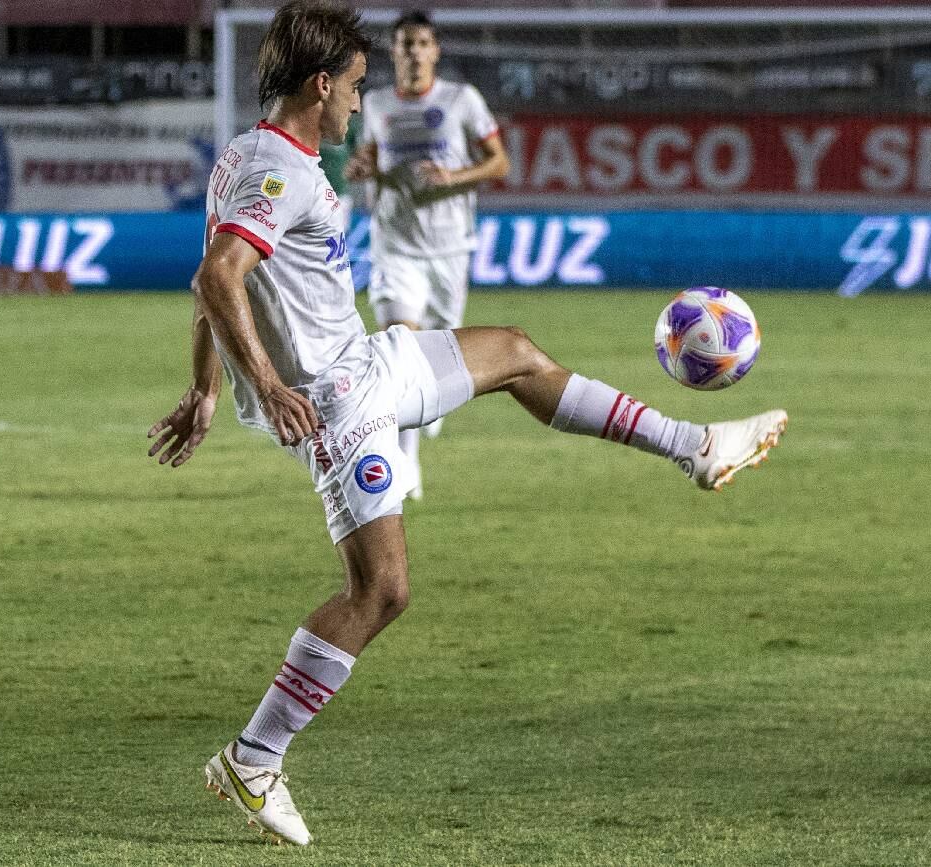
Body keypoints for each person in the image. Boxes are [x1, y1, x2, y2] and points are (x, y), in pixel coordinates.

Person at [148, 0, 787, 847]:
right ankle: (254, 755)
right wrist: (264, 387)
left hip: (369, 366)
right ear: (320, 83)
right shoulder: (281, 172)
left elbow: (210, 282)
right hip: (344, 402)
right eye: (354, 89)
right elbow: (220, 276)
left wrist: (202, 390)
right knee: (381, 591)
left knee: (517, 351)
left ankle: (696, 446)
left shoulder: (249, 154)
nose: (357, 106)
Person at [345, 10, 510, 499]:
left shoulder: (461, 100)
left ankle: (430, 408)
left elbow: (499, 162)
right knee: (402, 347)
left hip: (449, 248)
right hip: (395, 245)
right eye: (405, 43)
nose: (414, 51)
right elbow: (373, 156)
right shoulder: (374, 104)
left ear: (435, 51)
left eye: (421, 43)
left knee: (442, 354)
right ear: (393, 52)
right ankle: (406, 463)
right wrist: (362, 167)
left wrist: (453, 178)